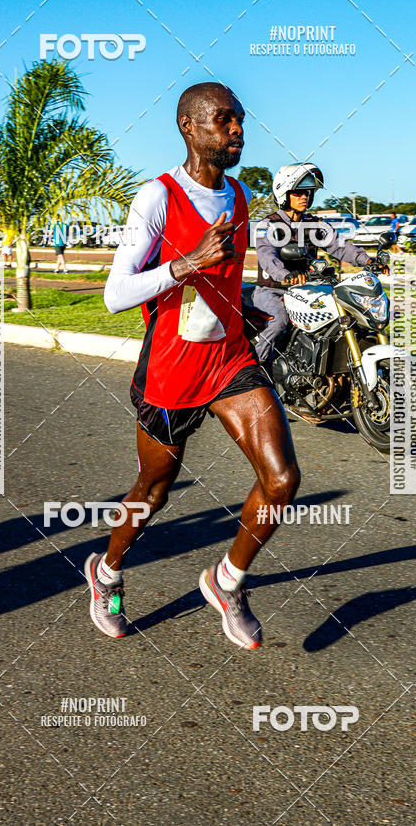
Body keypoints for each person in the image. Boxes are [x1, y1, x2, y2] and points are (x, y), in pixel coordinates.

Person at [84, 82, 301, 650]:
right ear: (188, 126)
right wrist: (185, 264)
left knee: (282, 479)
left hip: (228, 360)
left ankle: (227, 582)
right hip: (171, 370)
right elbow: (115, 294)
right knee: (153, 490)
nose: (237, 130)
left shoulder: (240, 194)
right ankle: (106, 572)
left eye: (240, 120)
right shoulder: (154, 197)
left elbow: (232, 278)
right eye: (223, 120)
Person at [253, 164, 378, 368]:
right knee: (278, 322)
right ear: (284, 193)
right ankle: (255, 371)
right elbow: (267, 256)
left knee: (339, 317)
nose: (305, 197)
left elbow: (338, 246)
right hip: (272, 290)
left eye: (309, 193)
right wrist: (285, 275)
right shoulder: (268, 225)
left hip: (306, 291)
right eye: (299, 192)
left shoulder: (314, 225)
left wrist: (367, 260)